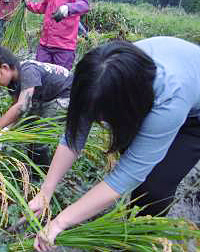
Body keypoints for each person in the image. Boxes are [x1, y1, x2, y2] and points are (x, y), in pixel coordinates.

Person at [25, 36, 200, 251]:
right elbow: (74, 137)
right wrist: (45, 192)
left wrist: (60, 223)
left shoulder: (168, 99)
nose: (97, 122)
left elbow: (127, 174)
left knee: (154, 188)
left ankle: (139, 238)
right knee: (128, 150)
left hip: (194, 118)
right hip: (152, 90)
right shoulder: (100, 74)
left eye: (102, 117)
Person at [0, 44, 72, 167]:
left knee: (37, 137)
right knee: (28, 128)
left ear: (4, 67)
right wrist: (4, 131)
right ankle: (35, 165)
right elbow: (17, 108)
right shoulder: (13, 82)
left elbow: (22, 106)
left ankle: (42, 175)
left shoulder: (27, 71)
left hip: (66, 96)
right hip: (45, 98)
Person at [25, 0, 90, 70]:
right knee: (40, 74)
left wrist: (68, 8)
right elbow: (43, 6)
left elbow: (84, 5)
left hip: (63, 48)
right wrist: (28, 4)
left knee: (60, 78)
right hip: (45, 45)